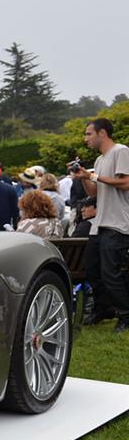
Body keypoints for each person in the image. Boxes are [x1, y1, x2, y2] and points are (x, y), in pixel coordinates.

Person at [69, 117, 129, 332]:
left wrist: (93, 175)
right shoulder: (99, 160)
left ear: (102, 133)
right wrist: (84, 177)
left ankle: (125, 315)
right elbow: (94, 193)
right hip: (99, 223)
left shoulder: (121, 151)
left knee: (111, 273)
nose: (86, 138)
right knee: (93, 271)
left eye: (88, 134)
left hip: (118, 222)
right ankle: (104, 309)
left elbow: (126, 183)